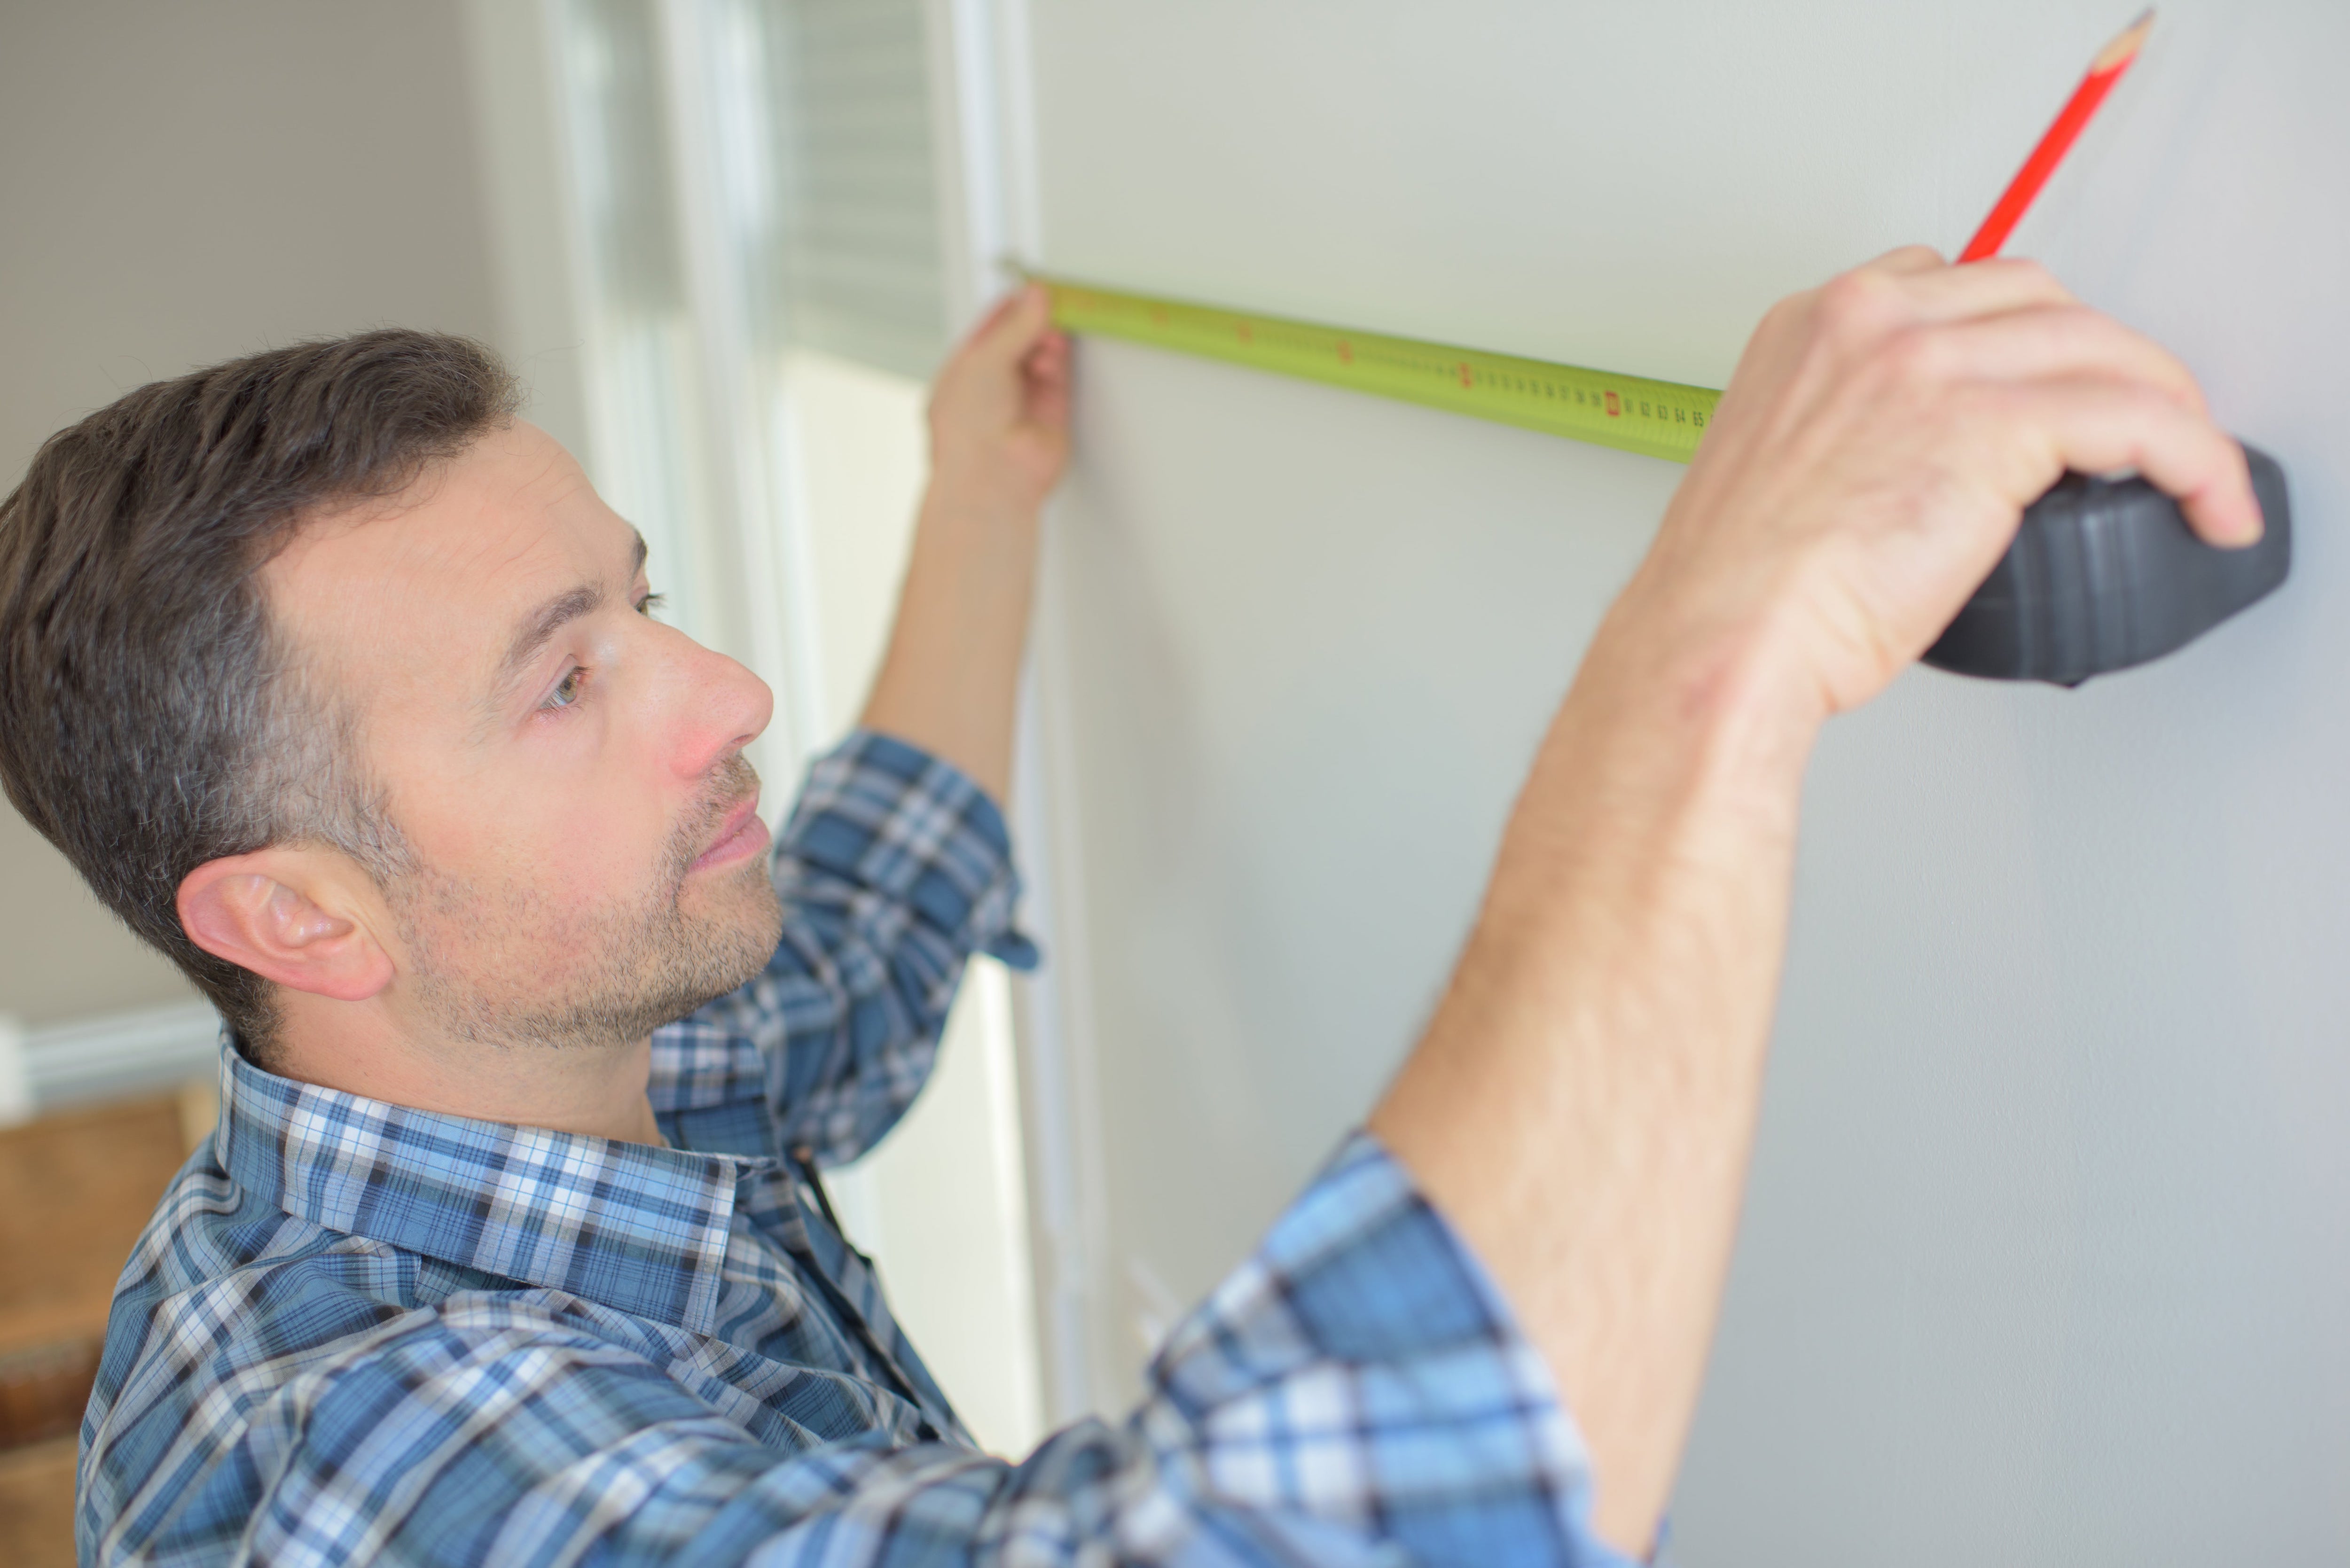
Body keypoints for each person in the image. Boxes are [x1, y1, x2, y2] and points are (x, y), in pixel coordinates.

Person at [0, 251, 2256, 1568]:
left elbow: (852, 965)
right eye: (565, 682)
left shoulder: (509, 1060)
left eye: (641, 597)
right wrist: (1720, 651)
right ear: (300, 916)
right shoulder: (375, 1457)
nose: (721, 698)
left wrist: (977, 503)